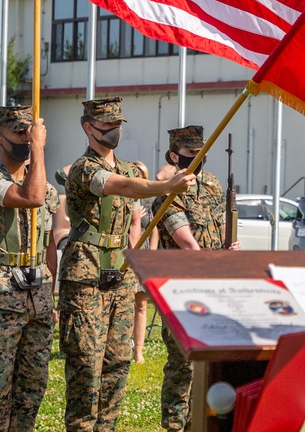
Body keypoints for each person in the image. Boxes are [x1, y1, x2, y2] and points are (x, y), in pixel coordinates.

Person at [60, 97, 193, 432]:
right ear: (88, 127)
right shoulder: (84, 168)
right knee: (86, 365)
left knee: (117, 362)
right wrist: (166, 185)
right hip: (86, 273)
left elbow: (136, 200)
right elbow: (123, 187)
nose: (115, 131)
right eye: (107, 125)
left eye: (118, 124)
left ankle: (106, 427)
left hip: (119, 273)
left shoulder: (129, 168)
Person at [0, 106, 58, 432]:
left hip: (38, 293)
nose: (25, 139)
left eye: (29, 132)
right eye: (19, 133)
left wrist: (52, 293)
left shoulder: (47, 187)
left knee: (33, 384)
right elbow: (30, 197)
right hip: (1, 295)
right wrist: (38, 148)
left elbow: (48, 244)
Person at [153, 126, 240, 431]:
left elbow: (224, 227)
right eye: (191, 153)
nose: (197, 157)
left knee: (213, 365)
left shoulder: (213, 184)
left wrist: (230, 248)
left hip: (215, 284)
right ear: (174, 156)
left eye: (201, 152)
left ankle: (203, 422)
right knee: (183, 365)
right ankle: (176, 425)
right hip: (183, 289)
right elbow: (187, 243)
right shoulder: (168, 193)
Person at [130, 161, 159, 365]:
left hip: (144, 255)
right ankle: (123, 346)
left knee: (141, 304)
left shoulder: (149, 200)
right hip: (126, 254)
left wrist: (152, 256)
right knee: (123, 304)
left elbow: (155, 229)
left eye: (140, 175)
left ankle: (138, 351)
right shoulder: (121, 197)